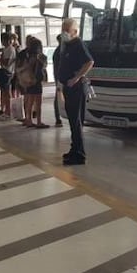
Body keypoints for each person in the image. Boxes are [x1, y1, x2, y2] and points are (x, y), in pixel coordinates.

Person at [58, 19, 94, 165]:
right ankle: (74, 149)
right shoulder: (67, 45)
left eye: (67, 29)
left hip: (76, 88)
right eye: (63, 28)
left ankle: (79, 154)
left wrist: (76, 77)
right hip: (67, 87)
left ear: (75, 31)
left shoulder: (78, 44)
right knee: (72, 120)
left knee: (76, 120)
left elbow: (89, 62)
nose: (64, 32)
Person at [22, 37, 49, 128]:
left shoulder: (28, 56)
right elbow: (44, 66)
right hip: (36, 81)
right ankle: (38, 121)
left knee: (29, 101)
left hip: (29, 81)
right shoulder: (40, 56)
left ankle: (28, 120)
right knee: (38, 103)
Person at [0, 32, 17, 120]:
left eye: (3, 40)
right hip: (6, 72)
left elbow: (7, 63)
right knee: (4, 93)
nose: (2, 42)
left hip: (7, 72)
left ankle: (8, 112)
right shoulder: (6, 49)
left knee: (7, 93)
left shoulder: (10, 50)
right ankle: (6, 111)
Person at [52, 33, 65, 127]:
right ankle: (58, 118)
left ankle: (58, 118)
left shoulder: (58, 51)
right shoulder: (60, 51)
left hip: (59, 77)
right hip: (61, 78)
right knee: (58, 97)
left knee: (58, 96)